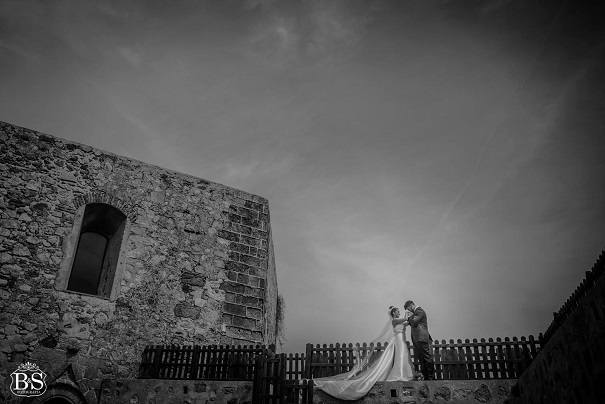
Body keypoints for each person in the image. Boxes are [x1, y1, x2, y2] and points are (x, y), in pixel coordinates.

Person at [312, 306, 414, 400]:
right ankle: (400, 375)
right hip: (398, 341)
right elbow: (406, 319)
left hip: (402, 340)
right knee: (401, 357)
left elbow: (408, 322)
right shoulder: (395, 320)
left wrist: (410, 317)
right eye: (397, 311)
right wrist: (407, 313)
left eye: (399, 311)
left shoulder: (399, 321)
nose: (399, 312)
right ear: (393, 314)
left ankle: (405, 374)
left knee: (403, 357)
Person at [404, 300, 435, 380]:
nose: (409, 311)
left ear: (411, 306)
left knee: (427, 357)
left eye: (409, 309)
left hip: (421, 337)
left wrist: (408, 317)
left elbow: (414, 322)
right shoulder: (415, 313)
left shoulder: (419, 311)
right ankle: (426, 376)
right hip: (418, 338)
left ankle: (431, 376)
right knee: (422, 359)